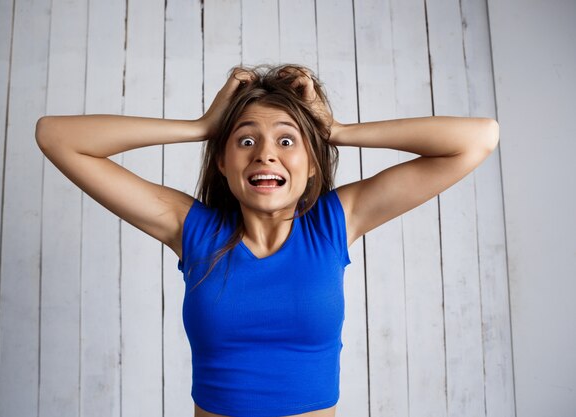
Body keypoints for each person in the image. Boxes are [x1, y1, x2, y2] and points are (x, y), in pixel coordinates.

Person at [35, 64, 499, 417]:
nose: (266, 155)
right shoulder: (193, 230)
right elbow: (56, 136)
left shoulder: (335, 223)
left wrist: (336, 131)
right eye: (245, 141)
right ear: (222, 161)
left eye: (287, 140)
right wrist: (199, 127)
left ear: (312, 163)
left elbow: (477, 138)